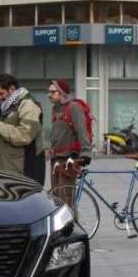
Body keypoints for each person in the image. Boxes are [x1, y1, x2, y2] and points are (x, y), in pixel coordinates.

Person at [0, 74, 44, 184]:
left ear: (12, 89)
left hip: (24, 171)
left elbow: (24, 136)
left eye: (1, 93)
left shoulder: (28, 105)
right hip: (11, 169)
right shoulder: (10, 107)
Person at [46, 80, 92, 208]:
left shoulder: (73, 107)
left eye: (52, 92)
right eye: (49, 92)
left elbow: (82, 131)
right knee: (55, 196)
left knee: (66, 198)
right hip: (56, 158)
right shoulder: (56, 109)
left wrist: (86, 152)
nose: (49, 95)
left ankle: (70, 224)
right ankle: (60, 225)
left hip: (68, 159)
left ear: (62, 93)